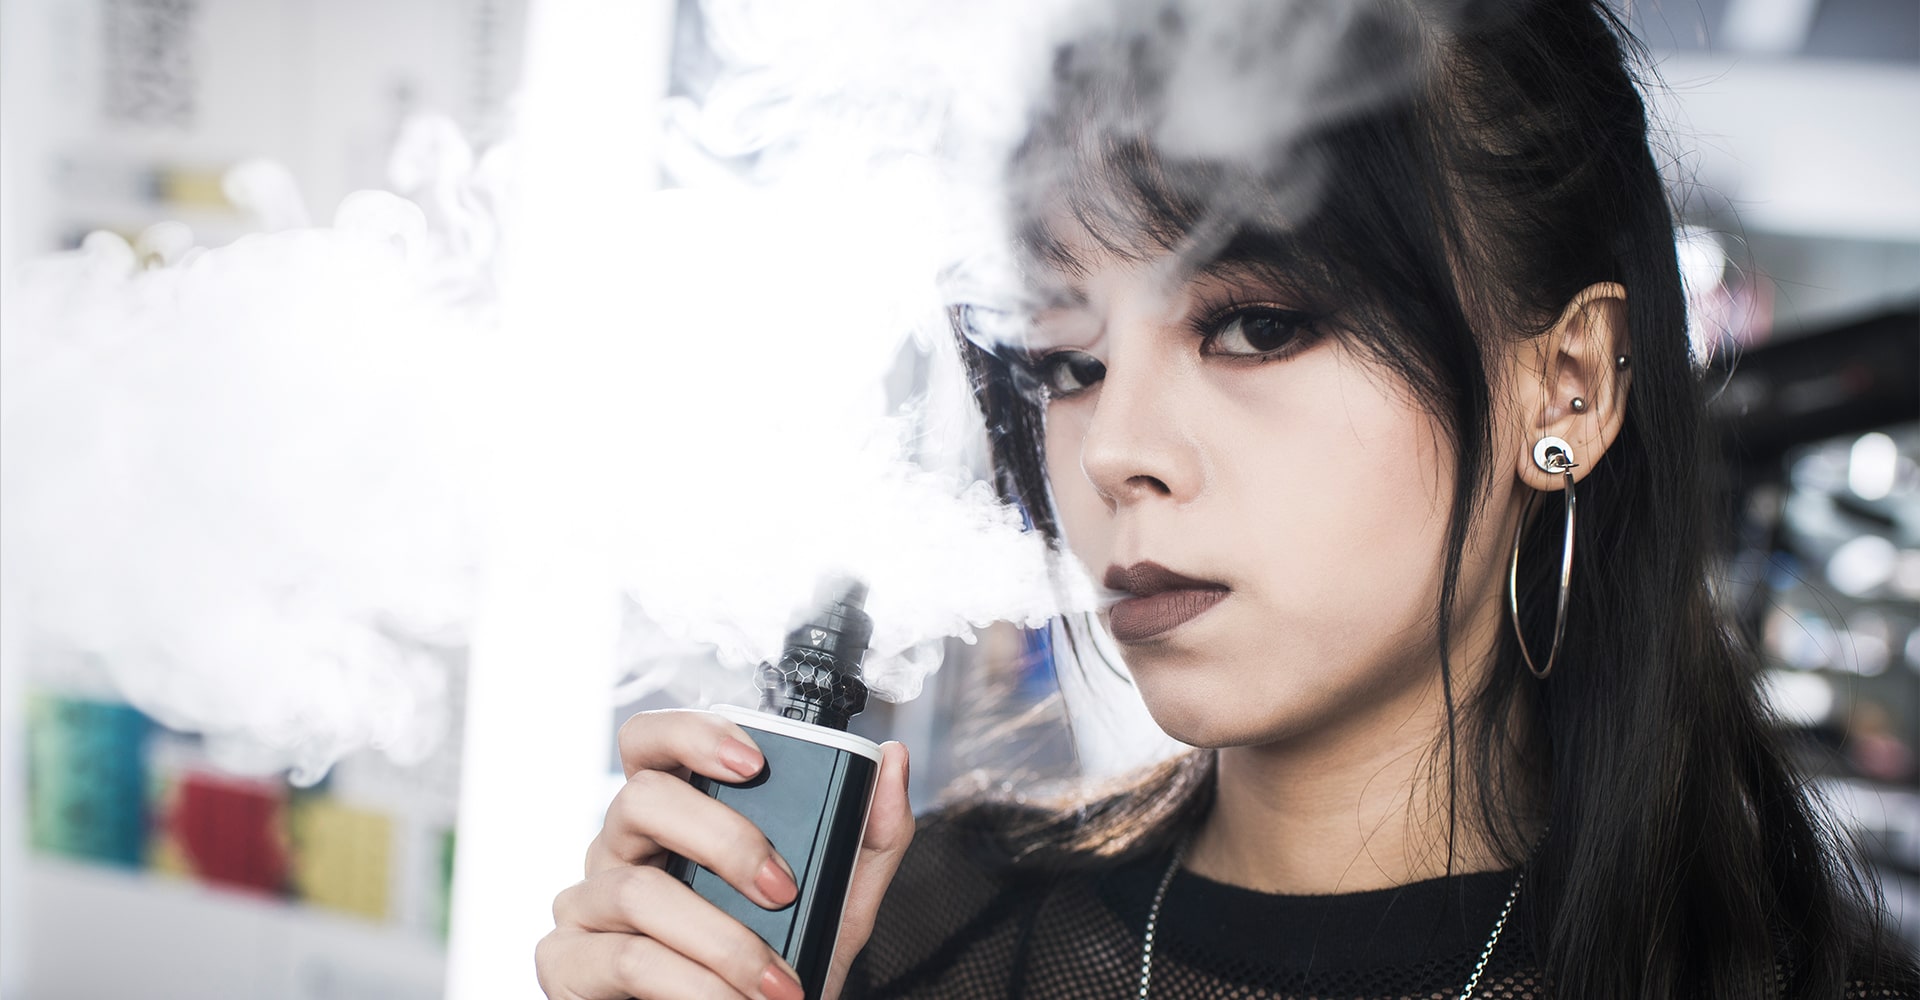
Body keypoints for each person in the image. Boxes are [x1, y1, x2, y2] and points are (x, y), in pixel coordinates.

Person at [535, 1, 1920, 997]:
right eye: (1067, 363)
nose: (1112, 451)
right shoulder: (911, 931)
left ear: (1564, 387)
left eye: (1256, 327)